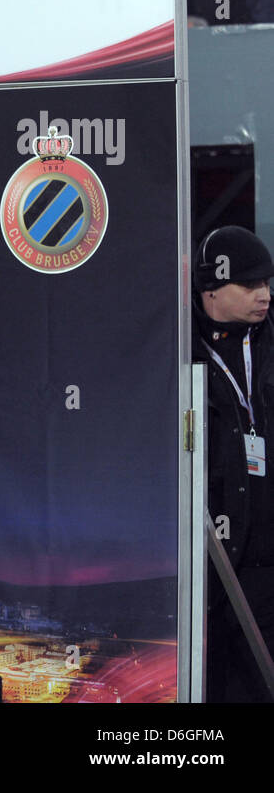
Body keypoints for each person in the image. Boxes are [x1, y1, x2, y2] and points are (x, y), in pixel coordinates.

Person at [192, 226, 274, 702]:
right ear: (211, 291)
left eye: (267, 283)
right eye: (250, 285)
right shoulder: (176, 350)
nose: (264, 295)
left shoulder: (267, 342)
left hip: (266, 561)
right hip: (208, 565)